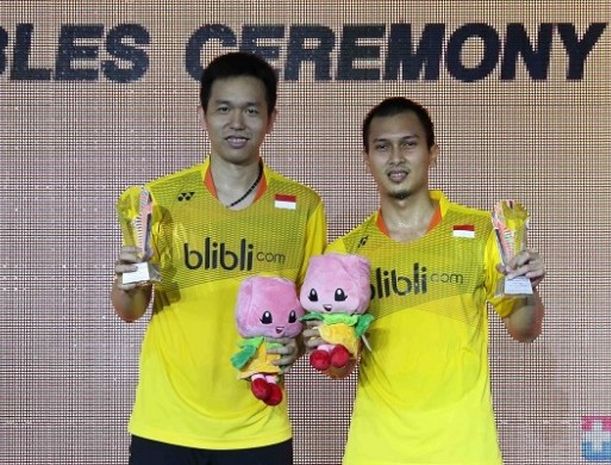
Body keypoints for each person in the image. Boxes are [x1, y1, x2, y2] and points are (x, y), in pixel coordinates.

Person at [304, 97, 545, 465]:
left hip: (464, 450)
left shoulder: (480, 231)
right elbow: (340, 369)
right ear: (367, 159)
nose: (396, 158)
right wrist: (323, 343)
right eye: (382, 147)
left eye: (409, 144)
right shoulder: (346, 252)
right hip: (376, 449)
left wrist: (527, 288)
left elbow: (523, 330)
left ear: (432, 152)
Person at [111, 52, 326, 465]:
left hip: (257, 428)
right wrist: (126, 283)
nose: (237, 123)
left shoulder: (304, 207)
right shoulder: (159, 200)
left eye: (251, 110)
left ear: (271, 118)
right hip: (166, 423)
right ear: (203, 114)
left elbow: (313, 316)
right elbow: (130, 310)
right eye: (223, 109)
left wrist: (295, 347)